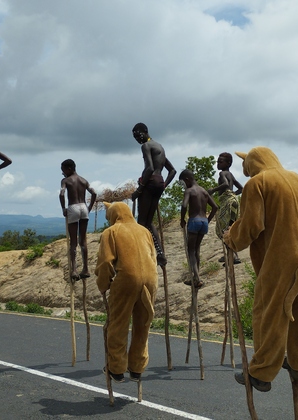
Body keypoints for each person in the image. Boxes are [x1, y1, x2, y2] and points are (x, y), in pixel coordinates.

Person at [223, 147, 298, 394]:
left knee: (270, 310)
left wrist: (231, 237)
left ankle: (261, 372)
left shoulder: (258, 183)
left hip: (282, 256)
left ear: (253, 163)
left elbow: (251, 226)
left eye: (246, 167)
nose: (245, 172)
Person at [95, 201, 158, 383]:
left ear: (114, 215)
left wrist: (103, 284)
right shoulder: (144, 230)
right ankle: (137, 367)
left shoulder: (111, 232)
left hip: (126, 281)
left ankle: (116, 368)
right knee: (143, 325)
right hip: (150, 280)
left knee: (118, 324)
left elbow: (106, 262)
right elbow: (153, 257)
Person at [130, 123, 176, 266]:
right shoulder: (159, 147)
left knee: (142, 222)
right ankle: (160, 253)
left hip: (150, 183)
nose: (137, 139)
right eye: (135, 137)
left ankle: (145, 253)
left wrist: (139, 189)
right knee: (148, 222)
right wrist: (163, 185)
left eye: (138, 135)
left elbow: (149, 168)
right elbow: (172, 170)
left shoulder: (146, 146)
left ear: (145, 131)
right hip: (158, 183)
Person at [59, 159, 97, 280]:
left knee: (73, 242)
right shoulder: (83, 180)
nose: (63, 173)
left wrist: (63, 208)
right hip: (83, 208)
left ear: (69, 169)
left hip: (73, 207)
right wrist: (90, 207)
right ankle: (85, 269)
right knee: (83, 240)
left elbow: (61, 194)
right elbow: (94, 193)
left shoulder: (65, 181)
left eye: (63, 170)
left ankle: (74, 270)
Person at [179, 169, 218, 289]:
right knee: (197, 250)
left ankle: (196, 277)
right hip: (203, 222)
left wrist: (182, 219)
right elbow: (215, 207)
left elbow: (184, 205)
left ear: (187, 179)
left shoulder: (189, 191)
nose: (183, 186)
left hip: (194, 221)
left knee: (191, 250)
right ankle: (196, 277)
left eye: (182, 183)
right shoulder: (204, 191)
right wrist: (208, 220)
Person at [208, 152, 243, 264]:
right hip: (234, 202)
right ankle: (230, 254)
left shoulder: (222, 174)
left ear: (227, 163)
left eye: (220, 162)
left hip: (228, 203)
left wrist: (213, 190)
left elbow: (226, 185)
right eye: (217, 161)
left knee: (221, 230)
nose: (218, 164)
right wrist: (233, 194)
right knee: (229, 229)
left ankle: (233, 255)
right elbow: (241, 188)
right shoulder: (230, 174)